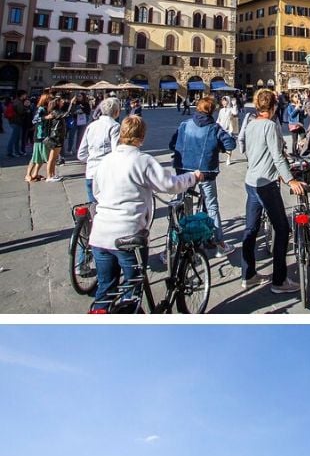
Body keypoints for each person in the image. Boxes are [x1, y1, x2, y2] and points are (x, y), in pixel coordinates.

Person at [90, 116, 202, 304]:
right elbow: (170, 185)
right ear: (141, 137)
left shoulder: (105, 161)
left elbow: (97, 192)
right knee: (133, 289)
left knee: (105, 289)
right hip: (128, 235)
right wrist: (193, 177)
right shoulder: (143, 161)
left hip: (99, 235)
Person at [238, 88, 307, 293]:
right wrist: (291, 180)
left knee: (250, 229)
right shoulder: (270, 125)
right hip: (266, 184)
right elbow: (277, 156)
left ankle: (248, 274)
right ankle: (279, 281)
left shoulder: (251, 123)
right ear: (273, 106)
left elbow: (249, 149)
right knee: (282, 229)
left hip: (251, 181)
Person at [170, 95, 238, 257]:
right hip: (205, 172)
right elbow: (230, 144)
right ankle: (219, 243)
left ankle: (178, 243)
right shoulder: (214, 128)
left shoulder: (185, 125)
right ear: (212, 111)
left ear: (197, 108)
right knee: (212, 205)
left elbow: (172, 144)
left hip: (183, 170)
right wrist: (218, 148)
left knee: (183, 203)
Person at [77, 97, 122, 205]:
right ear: (116, 112)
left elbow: (81, 154)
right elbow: (116, 152)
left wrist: (93, 160)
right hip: (106, 175)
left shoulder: (91, 126)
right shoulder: (115, 126)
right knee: (108, 208)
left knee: (93, 208)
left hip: (91, 173)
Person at [216, 96, 239, 164]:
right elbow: (218, 119)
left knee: (229, 145)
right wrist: (216, 125)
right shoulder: (221, 110)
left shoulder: (231, 109)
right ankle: (217, 159)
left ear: (228, 101)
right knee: (218, 144)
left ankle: (228, 159)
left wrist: (234, 105)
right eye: (223, 101)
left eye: (225, 101)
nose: (224, 102)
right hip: (221, 129)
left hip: (229, 130)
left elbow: (235, 113)